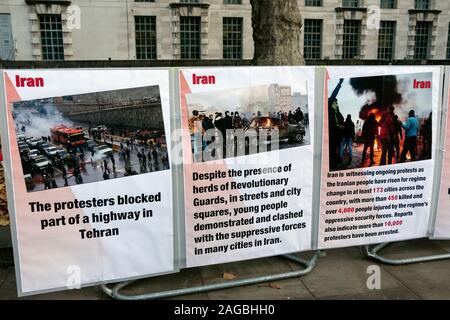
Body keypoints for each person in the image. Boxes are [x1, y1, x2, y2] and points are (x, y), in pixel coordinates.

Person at [328, 78, 344, 170]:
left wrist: (342, 124)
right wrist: (339, 83)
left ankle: (336, 161)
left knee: (337, 150)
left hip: (337, 134)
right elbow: (334, 94)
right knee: (333, 150)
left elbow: (341, 119)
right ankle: (332, 166)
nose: (337, 103)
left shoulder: (337, 110)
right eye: (336, 102)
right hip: (332, 133)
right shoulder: (329, 106)